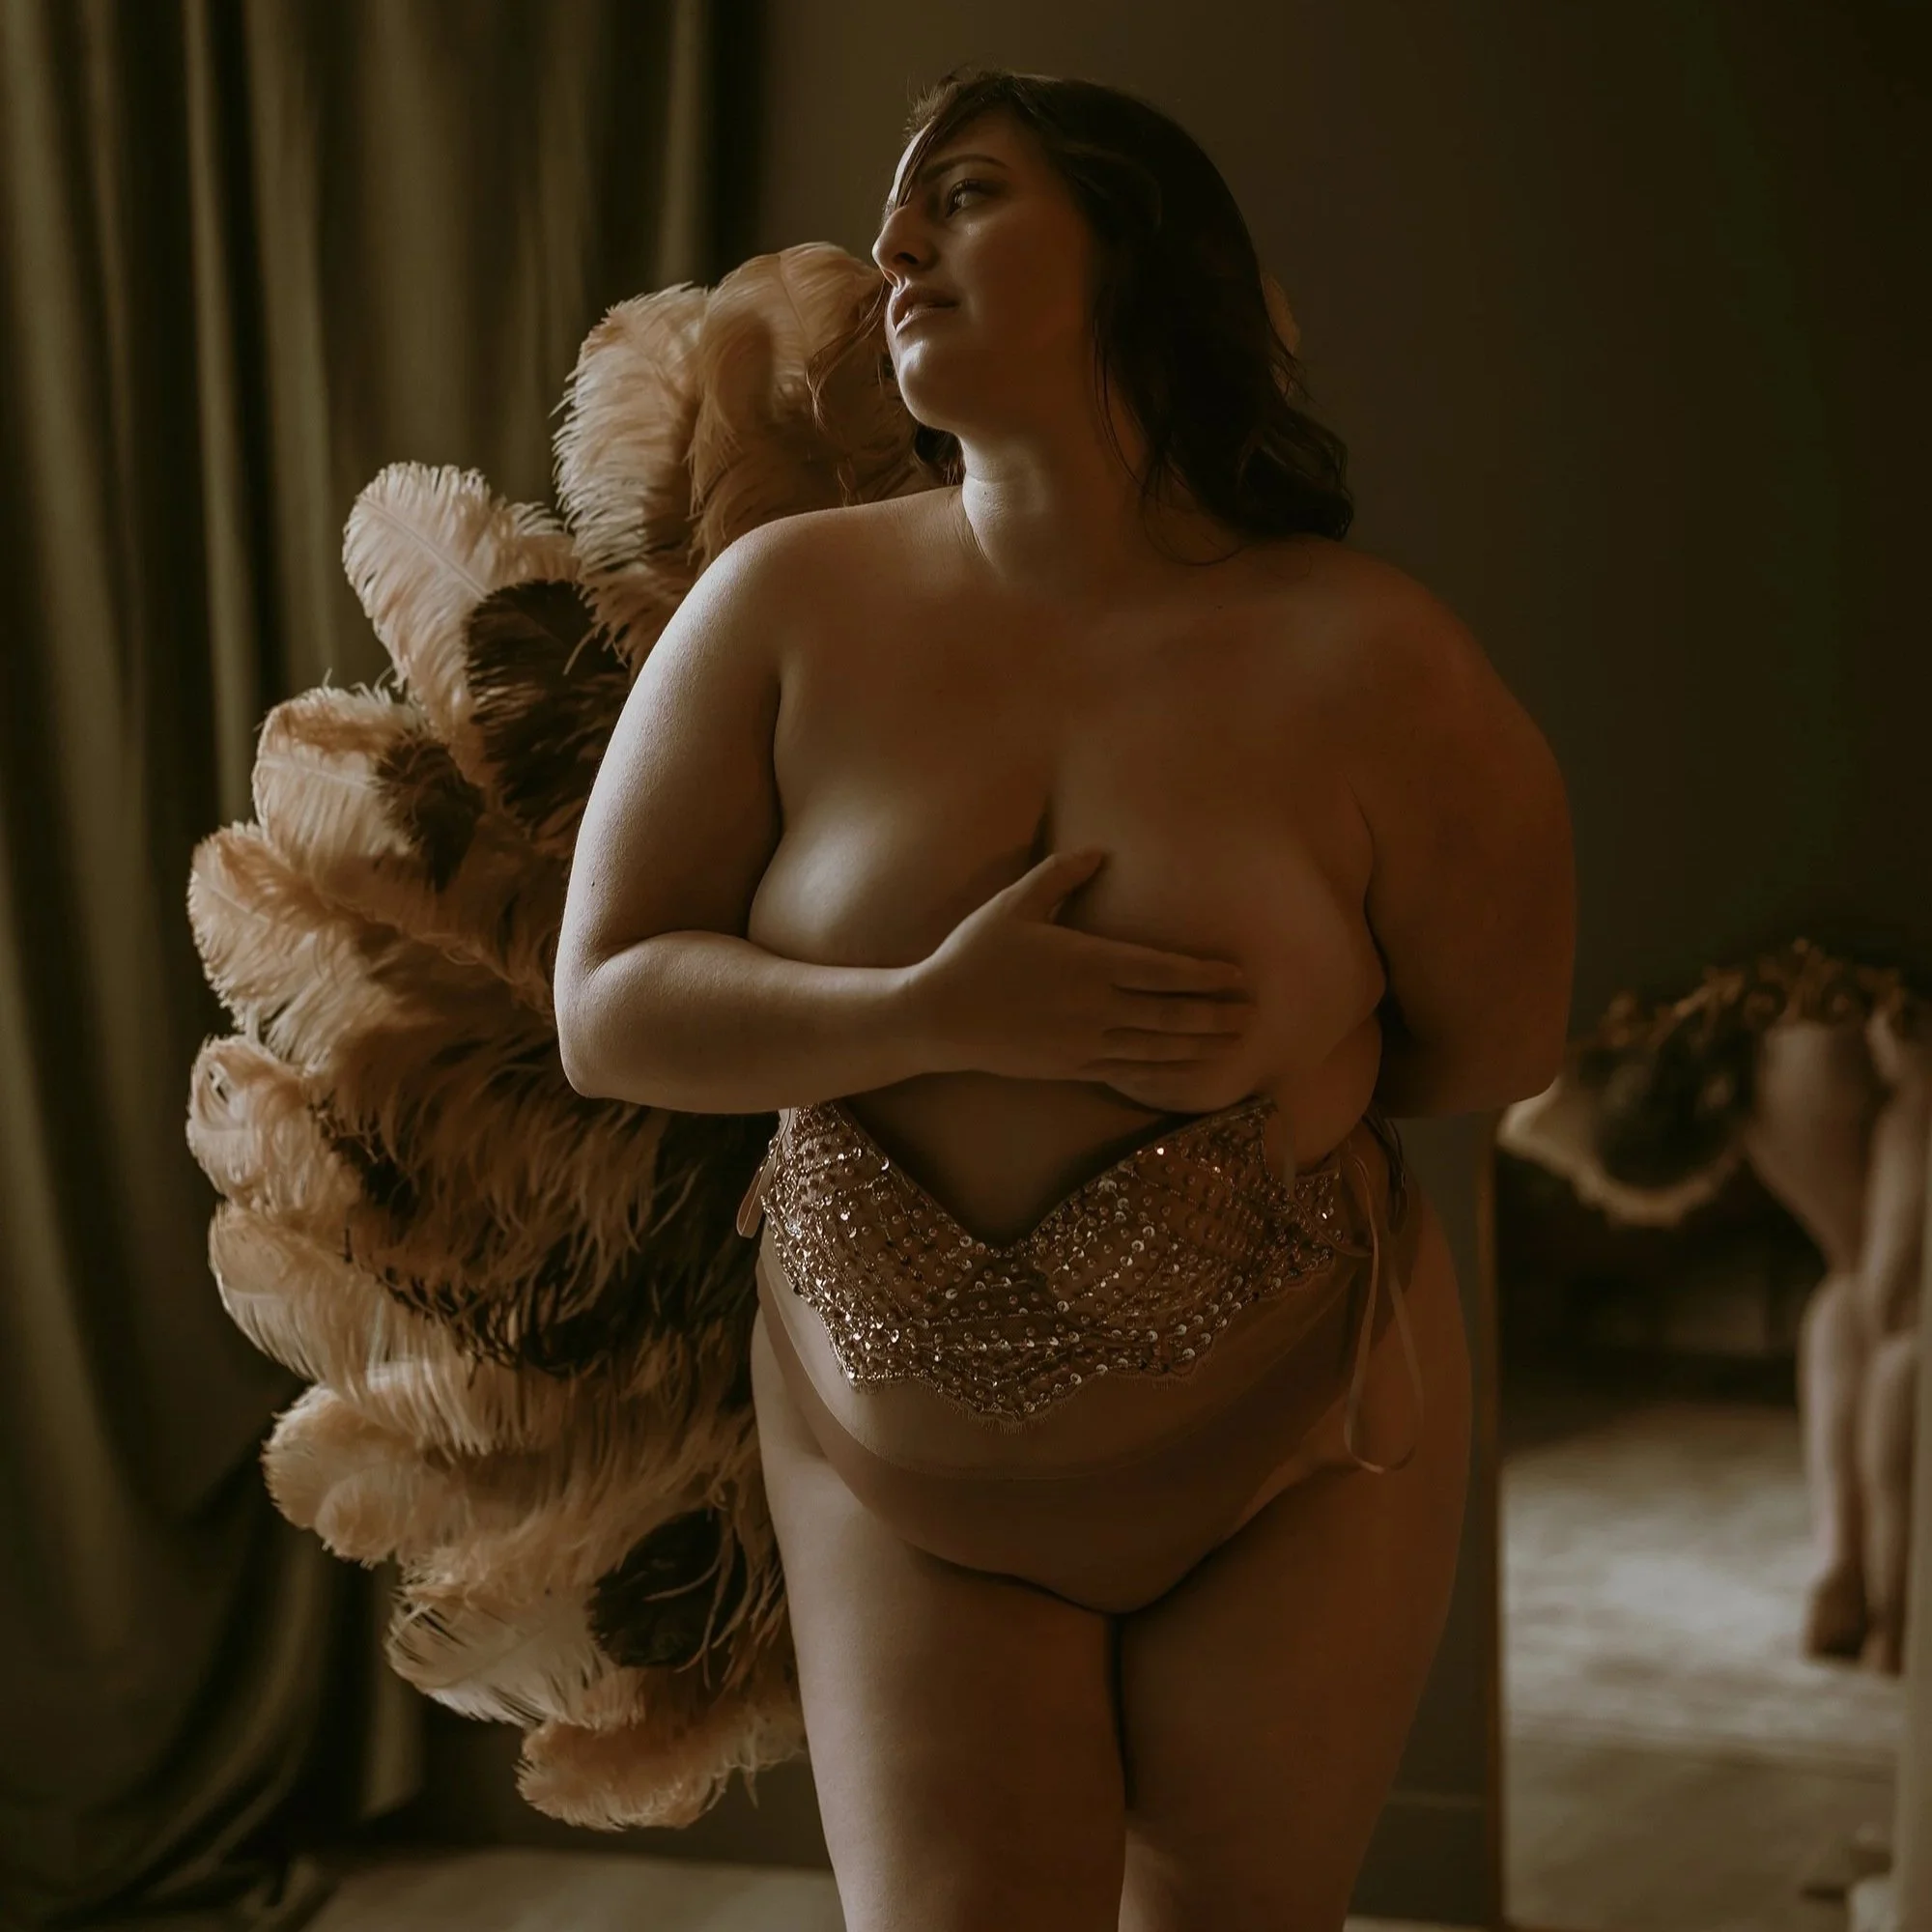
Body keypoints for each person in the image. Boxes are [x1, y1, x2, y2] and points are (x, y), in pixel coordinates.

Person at [554, 67, 1575, 1932]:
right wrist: (933, 1015)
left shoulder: (1374, 657)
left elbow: (1496, 1040)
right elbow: (605, 1007)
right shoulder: (785, 605)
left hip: (1296, 1431)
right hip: (890, 1457)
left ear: (1138, 252)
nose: (891, 246)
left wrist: (1263, 1103)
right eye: (897, 207)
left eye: (966, 192)